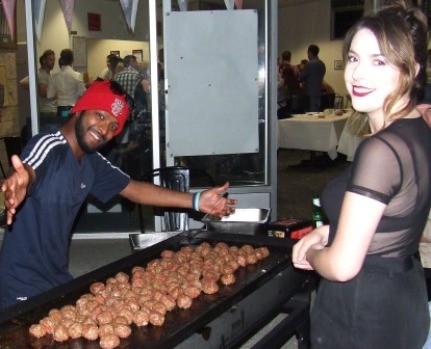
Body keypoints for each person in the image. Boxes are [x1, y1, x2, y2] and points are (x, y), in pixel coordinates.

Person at [0, 80, 236, 310]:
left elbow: (135, 189)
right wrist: (21, 182)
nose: (104, 130)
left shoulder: (91, 161)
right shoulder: (50, 145)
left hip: (57, 277)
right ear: (81, 108)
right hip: (20, 284)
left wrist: (196, 200)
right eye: (100, 115)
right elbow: (29, 168)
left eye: (114, 126)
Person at [292, 4, 431, 349]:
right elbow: (395, 213)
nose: (357, 74)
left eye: (378, 62)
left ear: (412, 70)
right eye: (354, 58)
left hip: (363, 312)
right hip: (403, 294)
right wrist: (329, 230)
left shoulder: (382, 150)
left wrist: (310, 253)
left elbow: (341, 267)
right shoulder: (417, 127)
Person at [47, 48, 86, 126]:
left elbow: (49, 95)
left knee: (61, 130)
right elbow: (83, 93)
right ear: (72, 60)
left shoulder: (54, 76)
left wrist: (59, 94)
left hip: (60, 109)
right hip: (73, 109)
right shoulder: (76, 75)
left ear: (61, 60)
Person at [298, 44, 326, 112]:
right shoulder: (322, 64)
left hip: (309, 94)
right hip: (318, 92)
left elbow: (300, 78)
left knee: (310, 114)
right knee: (317, 112)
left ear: (310, 53)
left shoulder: (309, 64)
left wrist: (297, 72)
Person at [277, 50, 301, 117]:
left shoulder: (279, 67)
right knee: (292, 112)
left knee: (285, 111)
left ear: (282, 57)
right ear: (290, 57)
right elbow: (299, 77)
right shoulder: (294, 67)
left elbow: (281, 79)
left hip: (283, 91)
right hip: (294, 90)